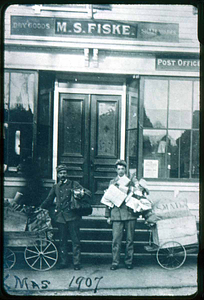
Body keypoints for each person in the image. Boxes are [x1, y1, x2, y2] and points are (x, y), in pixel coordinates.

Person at [40, 164, 91, 270]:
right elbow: (49, 200)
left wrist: (80, 193)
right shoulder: (55, 187)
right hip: (60, 218)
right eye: (60, 173)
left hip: (73, 217)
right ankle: (64, 262)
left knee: (75, 240)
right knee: (62, 241)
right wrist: (40, 208)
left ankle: (76, 263)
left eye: (64, 173)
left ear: (66, 174)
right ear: (58, 175)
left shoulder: (74, 184)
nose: (63, 175)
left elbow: (86, 193)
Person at [105, 160, 137, 270]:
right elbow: (108, 199)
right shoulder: (112, 182)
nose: (120, 171)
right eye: (118, 169)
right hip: (116, 214)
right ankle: (115, 262)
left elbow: (137, 196)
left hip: (129, 214)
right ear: (116, 170)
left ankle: (129, 261)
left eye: (122, 168)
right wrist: (108, 215)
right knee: (116, 240)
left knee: (130, 239)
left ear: (125, 169)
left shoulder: (131, 182)